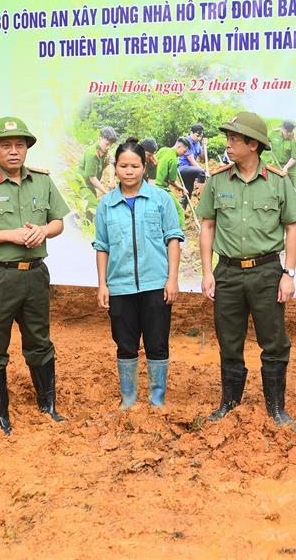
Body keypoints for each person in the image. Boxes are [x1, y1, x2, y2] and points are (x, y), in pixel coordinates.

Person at [0, 117, 70, 434]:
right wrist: (11, 235)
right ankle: (0, 413)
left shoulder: (43, 181)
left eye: (20, 145)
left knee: (39, 341)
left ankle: (48, 404)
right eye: (6, 145)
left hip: (34, 275)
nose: (14, 151)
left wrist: (44, 230)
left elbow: (58, 222)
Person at [196, 112, 296, 428]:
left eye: (234, 139)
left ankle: (276, 409)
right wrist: (207, 272)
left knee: (273, 341)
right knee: (229, 340)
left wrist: (290, 273)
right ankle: (228, 404)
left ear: (253, 145)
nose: (228, 144)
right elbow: (207, 226)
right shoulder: (218, 180)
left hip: (266, 272)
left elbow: (293, 227)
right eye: (228, 138)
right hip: (227, 273)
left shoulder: (277, 181)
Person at [93, 139, 185, 409]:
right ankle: (129, 398)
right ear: (115, 167)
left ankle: (157, 400)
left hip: (156, 284)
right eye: (123, 166)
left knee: (157, 343)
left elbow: (173, 239)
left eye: (135, 165)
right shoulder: (107, 205)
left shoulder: (160, 200)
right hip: (120, 287)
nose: (129, 171)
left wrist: (172, 279)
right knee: (125, 344)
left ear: (145, 167)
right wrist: (102, 284)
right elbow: (102, 246)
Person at [265, 120, 296, 216]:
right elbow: (265, 141)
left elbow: (294, 157)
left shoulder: (295, 139)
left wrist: (286, 167)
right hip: (277, 164)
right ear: (282, 128)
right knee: (275, 185)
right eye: (286, 132)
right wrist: (266, 145)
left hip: (292, 165)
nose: (288, 134)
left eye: (290, 132)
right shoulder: (273, 133)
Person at [76, 126, 118, 220]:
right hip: (82, 184)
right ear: (99, 139)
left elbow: (103, 165)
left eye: (110, 145)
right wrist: (106, 192)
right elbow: (92, 178)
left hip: (90, 186)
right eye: (107, 144)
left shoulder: (104, 151)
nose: (108, 147)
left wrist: (108, 161)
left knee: (91, 210)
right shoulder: (92, 154)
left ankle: (84, 224)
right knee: (94, 209)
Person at [154, 137, 190, 229]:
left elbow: (154, 162)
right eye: (184, 151)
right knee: (179, 211)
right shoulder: (174, 160)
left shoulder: (163, 150)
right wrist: (182, 188)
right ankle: (180, 234)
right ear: (179, 147)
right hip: (161, 188)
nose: (184, 154)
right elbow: (172, 181)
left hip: (151, 184)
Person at [178, 123, 207, 203]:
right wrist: (203, 172)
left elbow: (202, 158)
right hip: (183, 168)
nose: (199, 138)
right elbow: (192, 161)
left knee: (187, 194)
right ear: (191, 133)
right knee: (201, 172)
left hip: (191, 170)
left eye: (201, 136)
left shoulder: (197, 144)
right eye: (197, 135)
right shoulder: (187, 142)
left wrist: (204, 146)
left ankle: (182, 211)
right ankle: (202, 196)